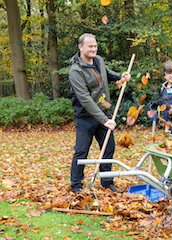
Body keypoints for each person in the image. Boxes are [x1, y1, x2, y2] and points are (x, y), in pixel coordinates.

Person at [68, 33, 130, 193]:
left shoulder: (99, 60)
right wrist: (104, 120)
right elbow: (85, 99)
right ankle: (76, 185)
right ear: (81, 47)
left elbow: (106, 74)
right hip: (86, 117)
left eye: (95, 46)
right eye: (90, 46)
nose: (93, 49)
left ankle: (107, 182)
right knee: (81, 151)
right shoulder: (75, 71)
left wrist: (120, 77)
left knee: (109, 147)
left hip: (103, 112)